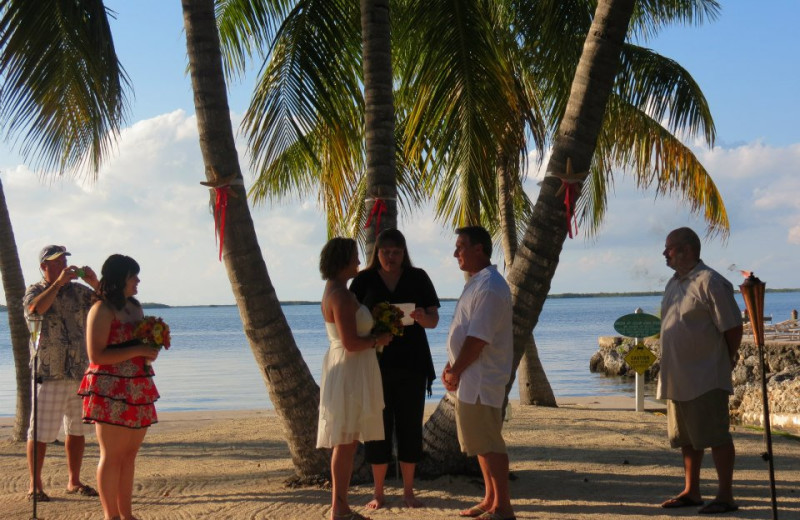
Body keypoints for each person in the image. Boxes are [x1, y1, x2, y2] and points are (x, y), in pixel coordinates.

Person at [350, 229, 440, 509]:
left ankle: (409, 492)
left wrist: (424, 317)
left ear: (404, 253)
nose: (391, 257)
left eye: (397, 252)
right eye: (386, 252)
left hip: (413, 364)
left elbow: (434, 320)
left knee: (410, 427)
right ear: (377, 253)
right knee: (378, 429)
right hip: (374, 364)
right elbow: (349, 321)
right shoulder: (364, 280)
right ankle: (379, 493)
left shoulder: (418, 277)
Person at [657, 227, 743, 515]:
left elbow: (732, 327)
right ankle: (691, 490)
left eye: (669, 248)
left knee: (716, 436)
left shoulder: (711, 282)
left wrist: (727, 359)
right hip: (677, 377)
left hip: (705, 375)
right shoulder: (674, 283)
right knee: (687, 438)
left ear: (686, 250)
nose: (664, 253)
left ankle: (725, 495)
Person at [78, 254, 160, 520]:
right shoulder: (101, 310)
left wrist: (150, 351)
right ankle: (110, 515)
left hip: (137, 387)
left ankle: (127, 514)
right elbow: (96, 356)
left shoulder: (135, 307)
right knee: (112, 455)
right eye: (132, 276)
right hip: (109, 389)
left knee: (129, 455)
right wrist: (137, 348)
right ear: (119, 279)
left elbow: (141, 343)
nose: (138, 281)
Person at [442, 226, 515, 520]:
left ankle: (503, 507)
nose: (455, 253)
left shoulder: (490, 286)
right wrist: (452, 367)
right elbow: (465, 332)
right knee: (480, 445)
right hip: (470, 378)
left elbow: (479, 337)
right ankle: (489, 499)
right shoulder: (478, 282)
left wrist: (456, 369)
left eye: (461, 246)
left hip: (481, 379)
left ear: (480, 249)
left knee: (489, 444)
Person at [316, 238, 393, 520]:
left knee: (346, 441)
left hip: (350, 367)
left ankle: (341, 505)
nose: (359, 263)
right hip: (348, 369)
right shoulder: (339, 295)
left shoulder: (338, 291)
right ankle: (339, 507)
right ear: (342, 262)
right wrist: (378, 339)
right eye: (354, 258)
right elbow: (350, 342)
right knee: (345, 440)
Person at [23, 245, 100, 501]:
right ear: (44, 266)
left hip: (79, 370)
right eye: (57, 262)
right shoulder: (36, 290)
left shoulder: (79, 291)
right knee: (41, 432)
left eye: (65, 260)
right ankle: (35, 485)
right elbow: (34, 310)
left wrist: (94, 282)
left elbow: (108, 306)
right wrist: (56, 284)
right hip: (49, 371)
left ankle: (74, 481)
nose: (64, 265)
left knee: (77, 430)